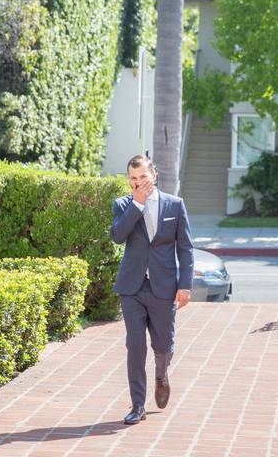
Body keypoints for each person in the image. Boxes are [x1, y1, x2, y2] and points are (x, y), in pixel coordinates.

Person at [110, 154, 194, 424]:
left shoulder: (175, 205)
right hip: (132, 287)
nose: (138, 183)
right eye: (133, 179)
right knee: (135, 347)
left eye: (143, 177)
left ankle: (162, 373)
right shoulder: (123, 204)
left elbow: (185, 247)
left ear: (154, 175)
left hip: (164, 287)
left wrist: (185, 285)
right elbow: (117, 236)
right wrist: (137, 204)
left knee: (163, 345)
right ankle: (138, 406)